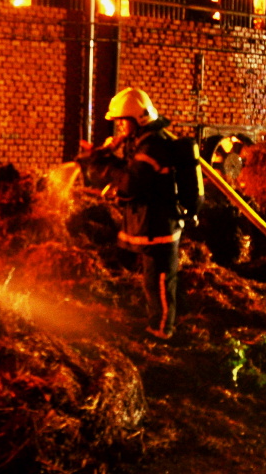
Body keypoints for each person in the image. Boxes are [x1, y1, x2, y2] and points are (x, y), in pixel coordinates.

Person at [80, 87, 203, 340]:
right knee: (152, 281)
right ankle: (155, 324)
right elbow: (131, 175)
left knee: (160, 282)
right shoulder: (145, 143)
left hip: (161, 226)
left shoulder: (153, 147)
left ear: (138, 119)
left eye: (122, 122)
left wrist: (104, 167)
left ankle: (162, 332)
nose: (120, 128)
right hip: (153, 225)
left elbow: (131, 182)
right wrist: (101, 156)